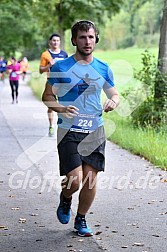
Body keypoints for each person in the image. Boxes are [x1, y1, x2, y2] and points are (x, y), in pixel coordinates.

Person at [42, 20, 120, 237]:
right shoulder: (61, 67)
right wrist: (60, 107)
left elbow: (114, 93)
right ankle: (66, 198)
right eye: (83, 37)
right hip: (68, 130)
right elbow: (47, 96)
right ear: (74, 40)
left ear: (96, 39)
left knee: (90, 178)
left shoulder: (103, 68)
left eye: (91, 37)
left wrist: (114, 101)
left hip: (95, 129)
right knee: (74, 179)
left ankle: (81, 218)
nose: (87, 41)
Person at [39, 33, 68, 137]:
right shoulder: (45, 54)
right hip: (51, 83)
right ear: (50, 42)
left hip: (63, 83)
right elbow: (40, 70)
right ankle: (51, 126)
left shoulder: (64, 54)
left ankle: (64, 126)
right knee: (52, 106)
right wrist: (48, 66)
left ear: (60, 42)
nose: (56, 42)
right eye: (54, 40)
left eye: (58, 40)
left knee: (65, 104)